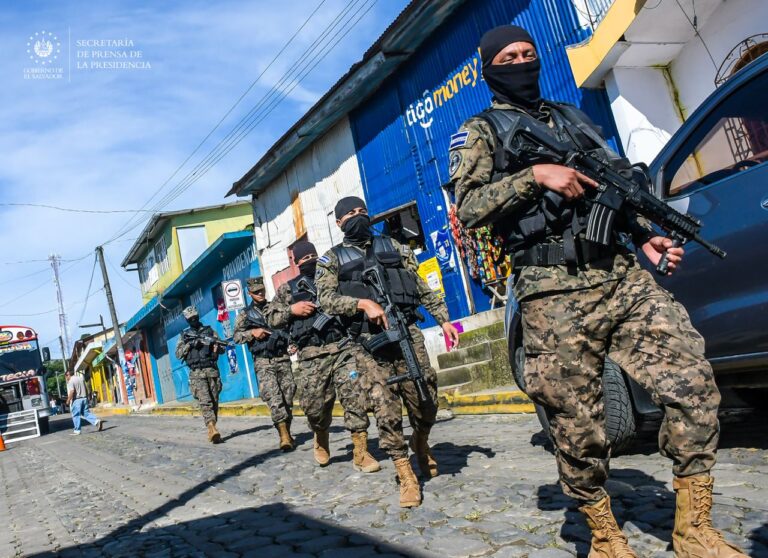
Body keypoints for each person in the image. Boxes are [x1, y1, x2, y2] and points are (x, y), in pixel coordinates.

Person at [449, 24, 746, 558]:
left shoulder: (572, 118)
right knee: (577, 424)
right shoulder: (480, 132)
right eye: (509, 57)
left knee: (693, 385)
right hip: (551, 294)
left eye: (528, 53)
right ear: (489, 69)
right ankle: (606, 536)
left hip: (620, 275)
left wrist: (645, 235)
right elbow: (468, 209)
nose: (522, 63)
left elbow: (615, 189)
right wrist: (534, 177)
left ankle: (694, 530)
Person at [316, 196, 460, 508]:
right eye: (350, 214)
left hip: (406, 331)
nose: (357, 216)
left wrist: (445, 320)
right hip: (368, 342)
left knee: (426, 398)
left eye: (361, 211)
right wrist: (360, 304)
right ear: (339, 222)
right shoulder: (331, 260)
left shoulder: (394, 246)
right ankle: (405, 473)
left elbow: (420, 286)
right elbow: (325, 299)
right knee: (385, 406)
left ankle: (420, 441)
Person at [265, 240, 380, 472]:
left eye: (312, 257)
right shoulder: (288, 289)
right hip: (311, 356)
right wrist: (291, 310)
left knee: (354, 397)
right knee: (315, 408)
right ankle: (320, 434)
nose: (310, 261)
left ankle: (361, 451)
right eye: (304, 259)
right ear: (296, 262)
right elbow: (270, 318)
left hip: (342, 348)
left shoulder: (332, 278)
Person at [233, 277, 296, 451]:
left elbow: (289, 328)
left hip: (282, 358)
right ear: (249, 293)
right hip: (263, 361)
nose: (260, 294)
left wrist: (292, 343)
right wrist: (252, 333)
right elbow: (236, 337)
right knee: (274, 398)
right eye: (256, 292)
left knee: (288, 396)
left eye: (262, 290)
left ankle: (287, 430)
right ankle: (283, 436)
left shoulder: (275, 307)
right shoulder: (245, 314)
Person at [175, 306, 225, 444]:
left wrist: (217, 348)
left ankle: (212, 427)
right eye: (190, 318)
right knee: (205, 401)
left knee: (214, 401)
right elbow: (178, 354)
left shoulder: (209, 331)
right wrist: (190, 345)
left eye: (195, 317)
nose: (194, 320)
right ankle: (211, 427)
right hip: (196, 373)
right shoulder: (184, 336)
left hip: (212, 371)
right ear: (187, 320)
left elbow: (222, 348)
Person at [65, 371, 102, 435]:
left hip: (77, 400)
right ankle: (96, 421)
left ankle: (77, 430)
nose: (66, 378)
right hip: (84, 398)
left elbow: (72, 391)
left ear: (68, 375)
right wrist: (87, 397)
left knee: (76, 415)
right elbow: (86, 388)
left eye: (66, 377)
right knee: (86, 413)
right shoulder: (81, 379)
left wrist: (68, 401)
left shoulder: (71, 381)